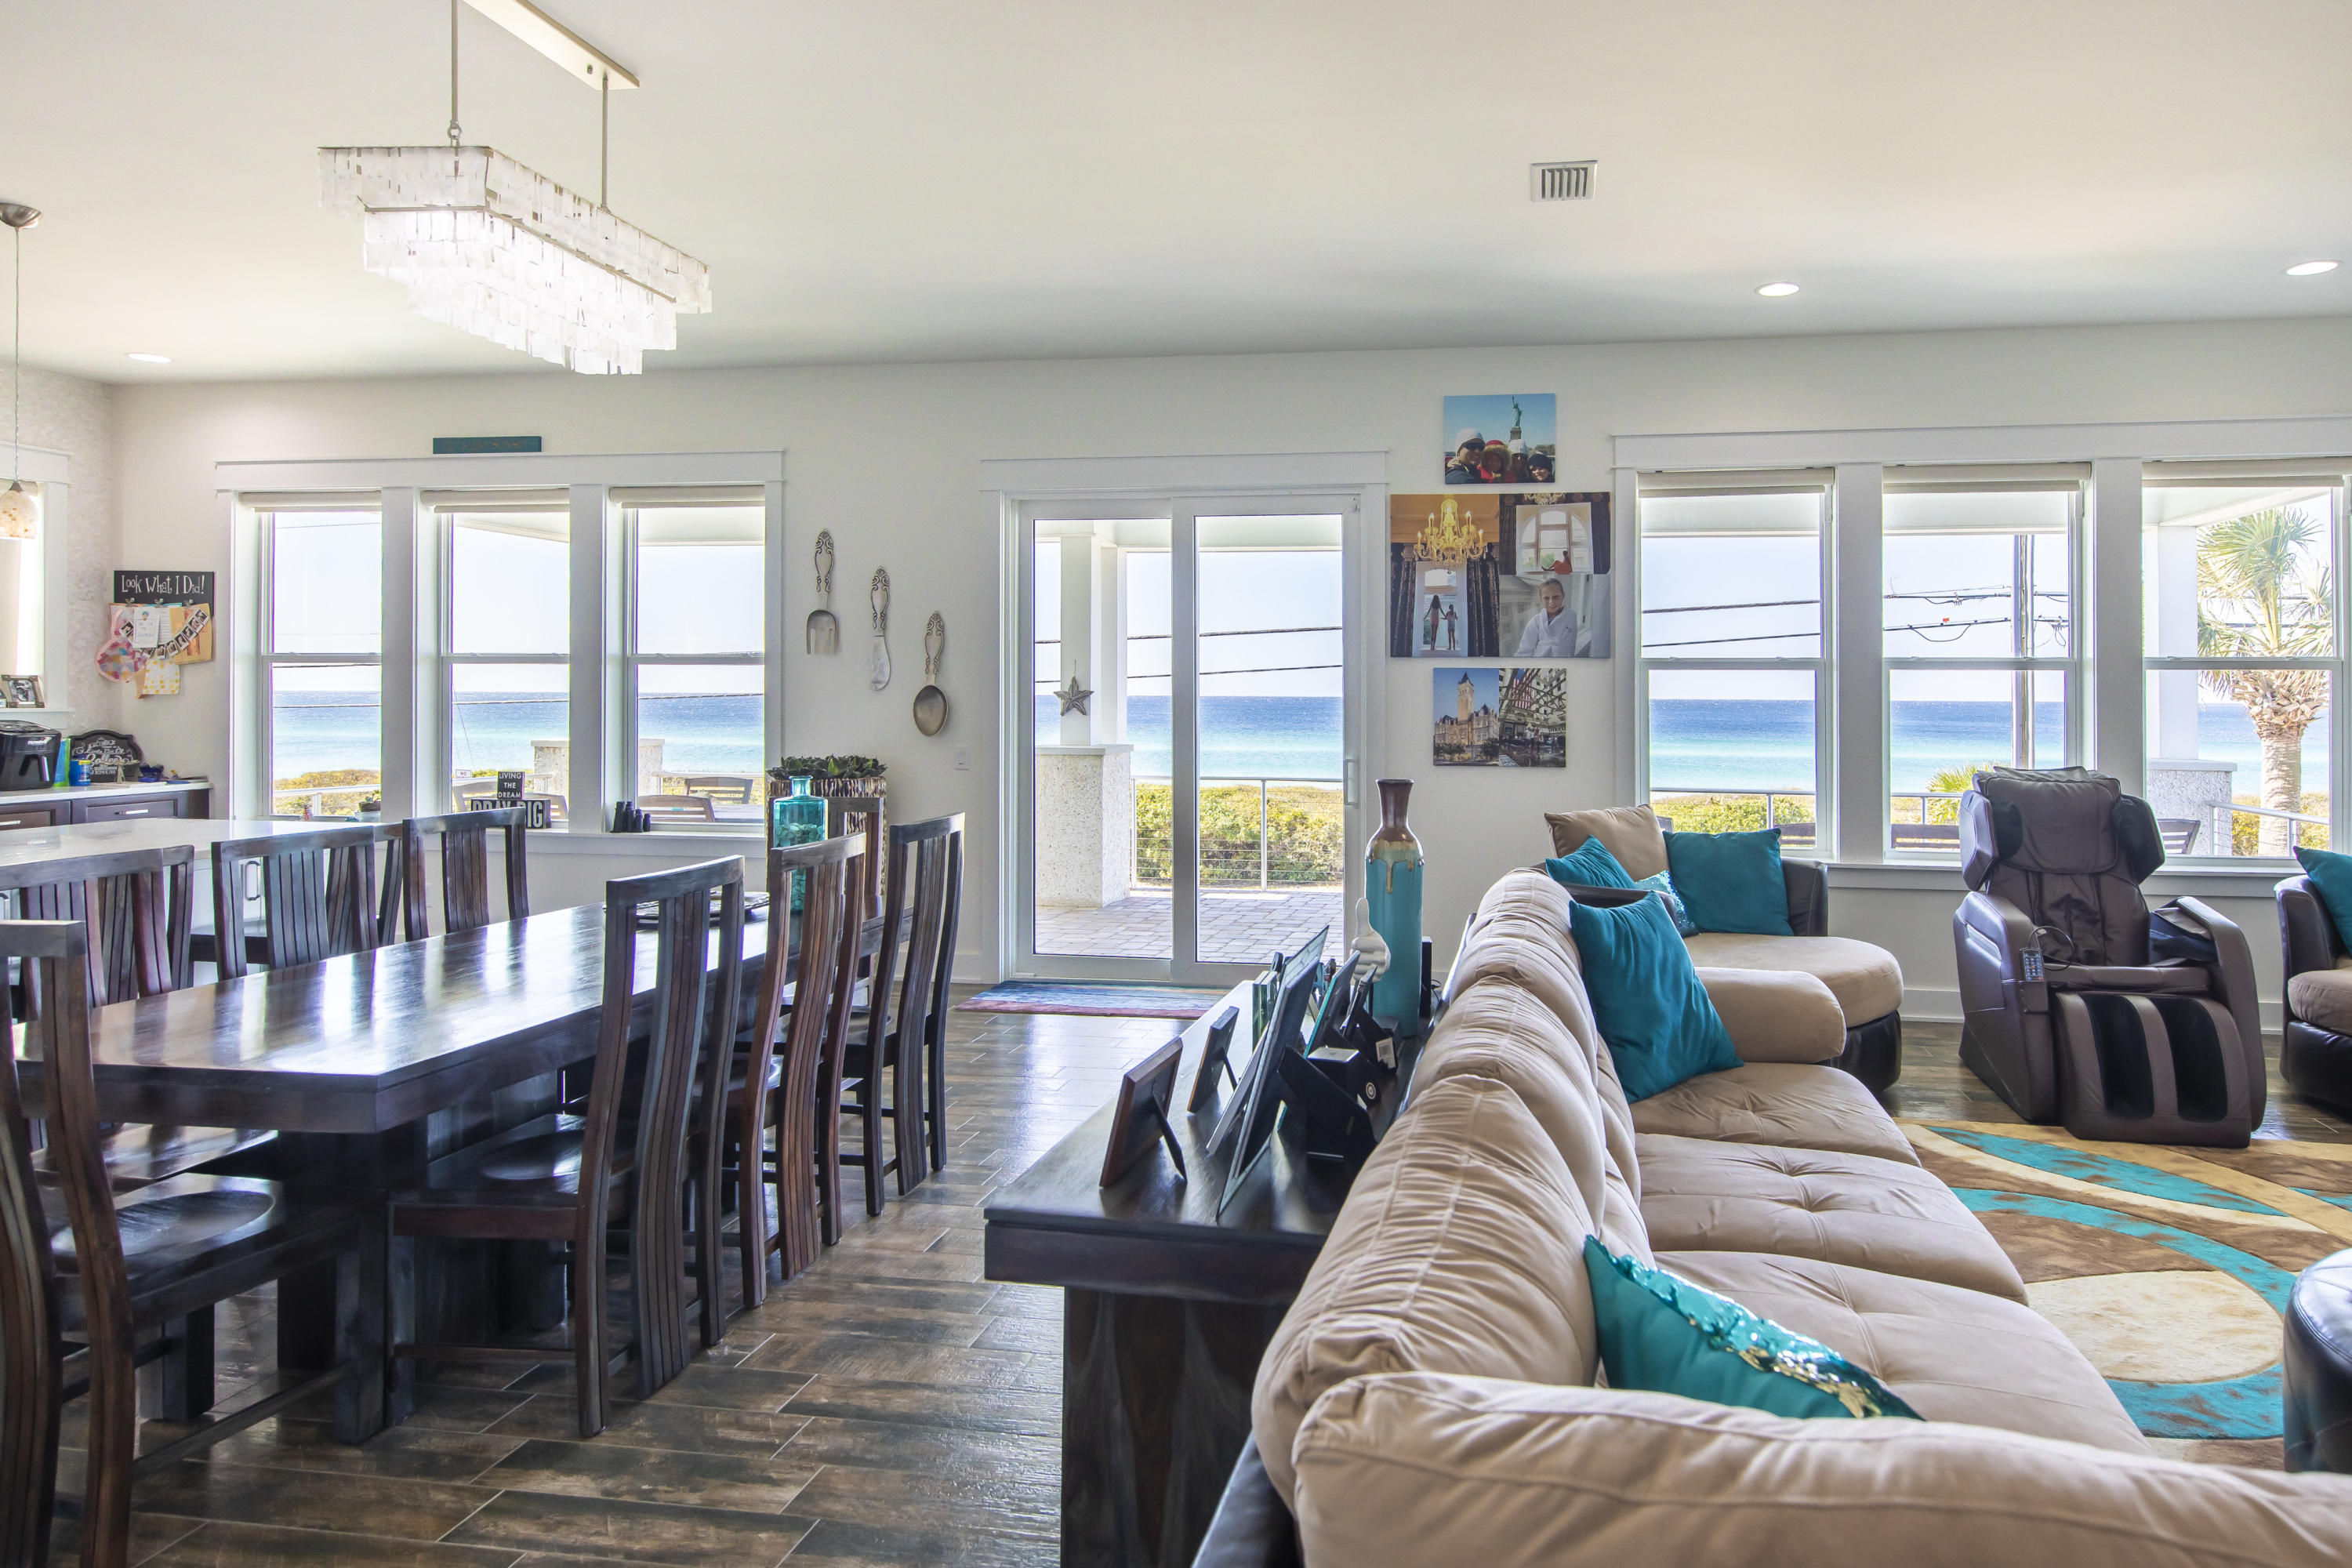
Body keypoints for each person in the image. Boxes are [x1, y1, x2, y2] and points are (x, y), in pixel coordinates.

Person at [1515, 575, 1577, 659]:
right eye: (1546, 598)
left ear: (1563, 596)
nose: (1551, 602)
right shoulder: (1535, 622)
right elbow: (1525, 649)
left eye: (1556, 597)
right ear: (1541, 600)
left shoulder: (1571, 616)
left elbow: (1571, 645)